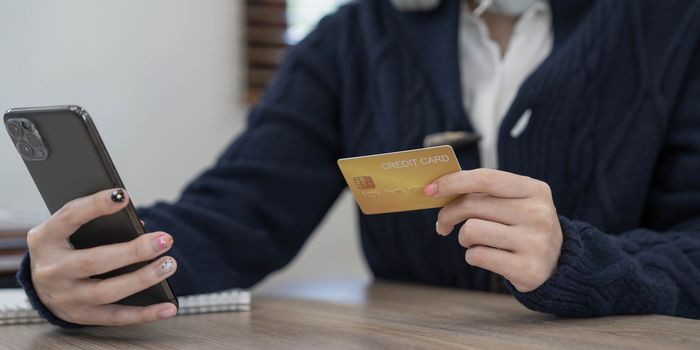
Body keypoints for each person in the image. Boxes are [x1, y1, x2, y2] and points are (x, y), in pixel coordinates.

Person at [17, 0, 700, 327]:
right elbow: (234, 213)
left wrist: (575, 261)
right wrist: (93, 267)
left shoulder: (676, 25)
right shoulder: (351, 37)